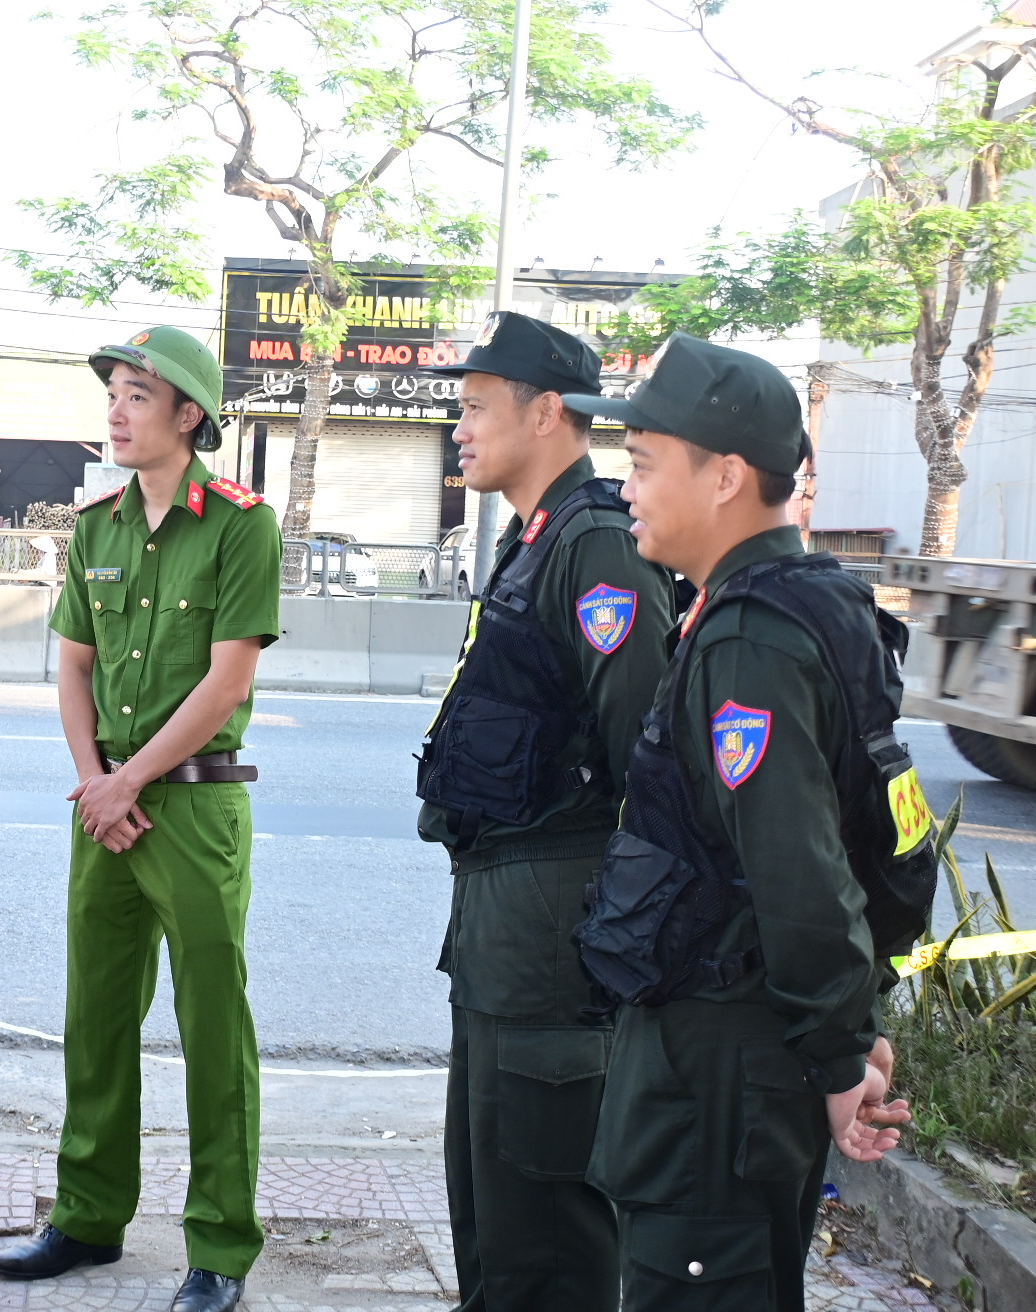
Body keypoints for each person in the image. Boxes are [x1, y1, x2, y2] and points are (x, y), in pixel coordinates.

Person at [566, 334, 917, 1312]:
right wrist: (853, 1025)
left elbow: (798, 863)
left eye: (642, 462)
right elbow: (866, 840)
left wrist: (842, 1056)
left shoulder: (748, 643)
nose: (625, 485)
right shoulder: (816, 604)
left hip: (719, 1068)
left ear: (723, 476)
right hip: (754, 1052)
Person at [0, 326, 281, 1312]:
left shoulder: (242, 525)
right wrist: (93, 780)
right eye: (112, 394)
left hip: (193, 804)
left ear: (188, 415)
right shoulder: (98, 524)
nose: (115, 413)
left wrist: (130, 781)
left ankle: (220, 1246)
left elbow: (228, 672)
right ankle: (87, 1214)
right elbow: (70, 662)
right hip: (102, 805)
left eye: (137, 398)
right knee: (97, 1018)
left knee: (212, 1026)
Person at [412, 310, 677, 1312]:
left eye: (477, 408)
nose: (460, 429)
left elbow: (650, 768)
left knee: (546, 1232)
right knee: (492, 1205)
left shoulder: (597, 548)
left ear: (548, 412)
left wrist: (616, 951)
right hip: (500, 925)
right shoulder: (539, 539)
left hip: (556, 924)